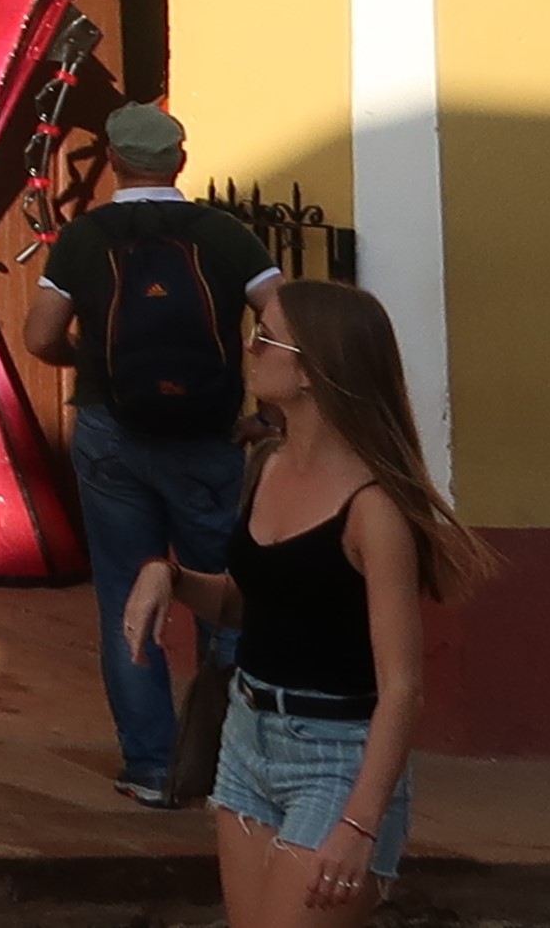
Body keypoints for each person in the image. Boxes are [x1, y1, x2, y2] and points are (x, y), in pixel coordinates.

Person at [121, 280, 483, 921]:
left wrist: (361, 824)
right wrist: (168, 576)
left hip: (336, 756)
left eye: (265, 337)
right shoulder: (266, 465)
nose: (249, 348)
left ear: (314, 370)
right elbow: (250, 604)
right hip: (246, 735)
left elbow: (402, 688)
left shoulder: (374, 511)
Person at [26, 100, 287, 804]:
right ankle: (228, 761)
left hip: (112, 432)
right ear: (179, 159)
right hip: (207, 437)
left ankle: (150, 766)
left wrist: (93, 360)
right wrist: (264, 408)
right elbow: (286, 319)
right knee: (225, 597)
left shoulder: (85, 237)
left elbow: (39, 336)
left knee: (123, 593)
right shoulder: (225, 236)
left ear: (112, 159)